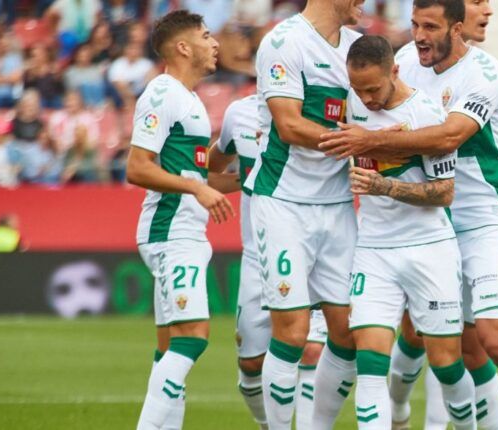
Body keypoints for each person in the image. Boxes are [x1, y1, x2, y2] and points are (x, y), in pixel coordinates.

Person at [320, 1, 498, 429]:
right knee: (453, 348)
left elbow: (451, 135)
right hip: (431, 223)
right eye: (414, 24)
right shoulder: (403, 64)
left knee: (496, 339)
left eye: (429, 26)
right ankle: (402, 414)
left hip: (486, 218)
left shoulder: (485, 73)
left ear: (456, 28)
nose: (418, 35)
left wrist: (371, 142)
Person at [344, 34, 476, 430]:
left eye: (373, 89)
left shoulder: (426, 113)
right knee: (369, 365)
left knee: (447, 365)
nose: (366, 99)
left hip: (428, 249)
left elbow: (444, 193)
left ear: (394, 71)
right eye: (358, 89)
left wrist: (384, 186)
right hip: (374, 247)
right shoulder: (353, 103)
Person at [244, 1, 365, 428]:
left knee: (350, 334)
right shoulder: (284, 41)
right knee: (293, 334)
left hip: (336, 206)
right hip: (284, 203)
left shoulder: (358, 47)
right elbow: (289, 126)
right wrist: (359, 142)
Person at [126, 10, 237, 430]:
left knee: (169, 347)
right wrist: (197, 190)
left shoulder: (189, 100)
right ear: (183, 47)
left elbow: (196, 176)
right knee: (193, 338)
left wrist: (247, 180)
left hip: (185, 232)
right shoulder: (162, 93)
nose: (215, 44)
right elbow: (137, 168)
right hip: (171, 232)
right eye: (206, 36)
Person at [207, 94, 328, 430]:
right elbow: (211, 166)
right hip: (257, 257)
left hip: (310, 253)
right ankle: (266, 422)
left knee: (311, 352)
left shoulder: (318, 108)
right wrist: (245, 177)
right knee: (250, 365)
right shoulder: (239, 113)